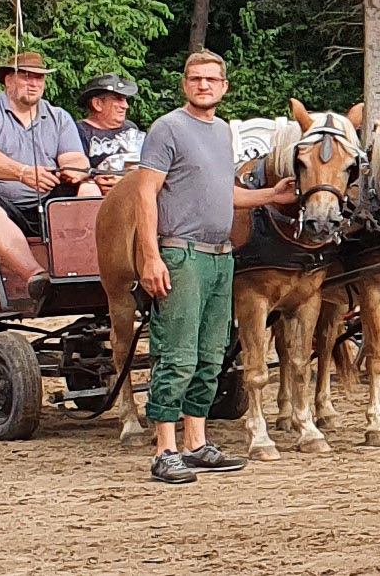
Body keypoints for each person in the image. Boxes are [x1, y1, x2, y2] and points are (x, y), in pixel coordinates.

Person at [133, 51, 298, 484]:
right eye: (196, 78)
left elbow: (224, 193)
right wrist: (152, 255)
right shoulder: (167, 128)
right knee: (178, 354)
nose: (204, 85)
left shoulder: (223, 131)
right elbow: (145, 194)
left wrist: (270, 197)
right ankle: (165, 449)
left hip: (220, 255)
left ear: (224, 87)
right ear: (185, 84)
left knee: (211, 357)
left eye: (212, 79)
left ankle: (197, 443)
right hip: (182, 253)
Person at [0, 52, 99, 300]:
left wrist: (74, 173)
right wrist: (21, 173)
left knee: (89, 190)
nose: (33, 84)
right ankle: (37, 278)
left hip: (43, 204)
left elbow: (75, 158)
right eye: (26, 77)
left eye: (39, 78)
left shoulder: (58, 116)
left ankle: (90, 269)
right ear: (8, 81)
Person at [75, 73, 144, 192]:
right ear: (98, 104)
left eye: (125, 100)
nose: (125, 106)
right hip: (94, 196)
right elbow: (74, 172)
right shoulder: (79, 131)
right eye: (118, 99)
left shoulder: (130, 128)